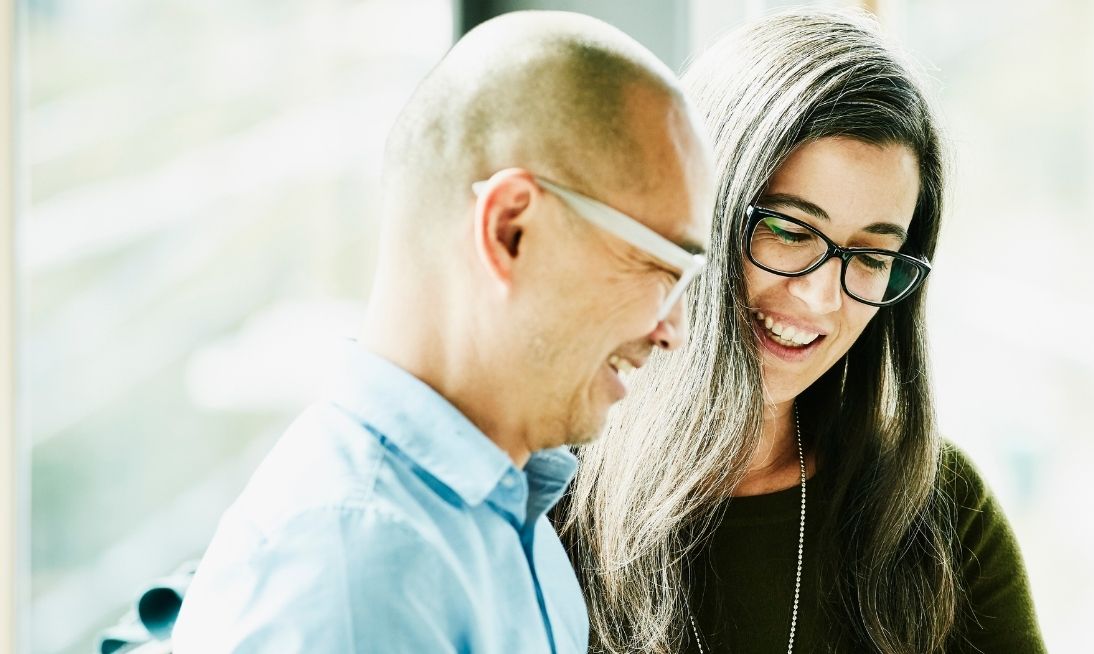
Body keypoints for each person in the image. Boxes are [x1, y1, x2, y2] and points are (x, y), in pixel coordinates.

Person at [171, 11, 713, 652]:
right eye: (658, 268)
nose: (673, 330)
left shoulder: (509, 518)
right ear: (511, 230)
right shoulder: (355, 576)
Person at [561, 9, 1046, 654]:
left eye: (872, 257)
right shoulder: (547, 484)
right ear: (700, 206)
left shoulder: (938, 512)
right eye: (789, 232)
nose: (820, 296)